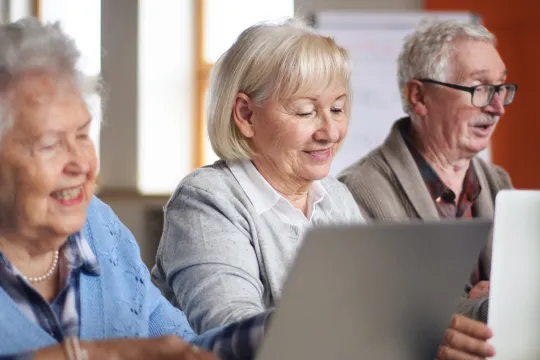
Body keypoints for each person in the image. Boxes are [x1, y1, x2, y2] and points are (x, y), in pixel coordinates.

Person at [152, 18, 497, 359]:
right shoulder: (206, 200)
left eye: (337, 108)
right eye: (305, 112)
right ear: (245, 115)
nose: (329, 132)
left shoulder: (335, 197)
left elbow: (390, 310)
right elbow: (233, 336)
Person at [0, 17, 271, 360]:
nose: (81, 163)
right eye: (50, 144)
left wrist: (277, 330)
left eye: (83, 134)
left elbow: (180, 349)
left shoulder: (99, 227)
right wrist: (96, 355)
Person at [338, 19, 515, 324]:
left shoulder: (499, 183)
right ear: (419, 97)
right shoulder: (358, 192)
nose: (498, 107)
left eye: (501, 88)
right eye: (481, 88)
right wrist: (489, 303)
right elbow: (390, 315)